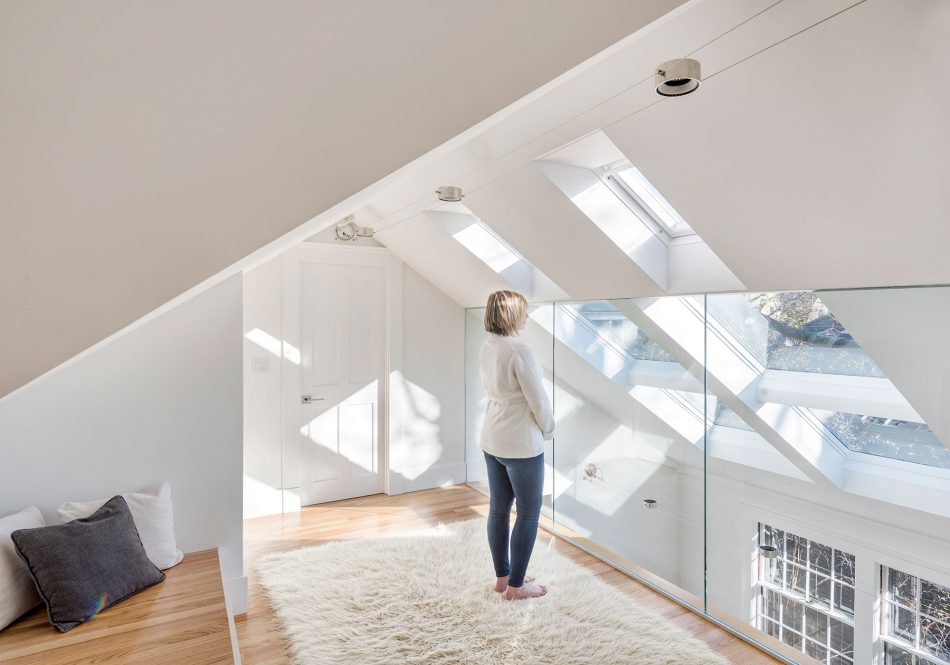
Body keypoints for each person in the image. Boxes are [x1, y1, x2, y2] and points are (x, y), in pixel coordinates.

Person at [479, 290, 555, 600]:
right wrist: (549, 430)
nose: (527, 316)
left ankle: (503, 577)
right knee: (528, 513)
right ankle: (517, 586)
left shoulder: (488, 346)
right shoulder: (519, 349)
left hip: (492, 438)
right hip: (521, 444)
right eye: (524, 311)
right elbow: (537, 398)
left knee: (499, 510)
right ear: (512, 315)